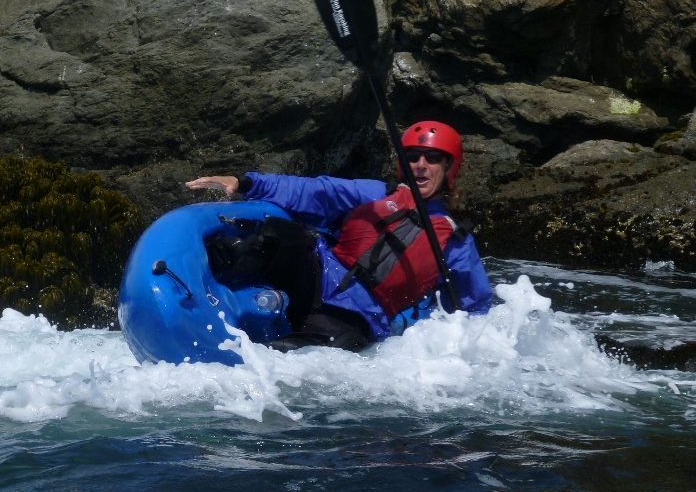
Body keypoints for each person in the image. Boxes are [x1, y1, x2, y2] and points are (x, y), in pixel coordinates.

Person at [186, 121, 493, 352]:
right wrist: (244, 182)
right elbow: (310, 191)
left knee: (329, 349)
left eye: (432, 158)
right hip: (314, 279)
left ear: (449, 168)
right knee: (279, 236)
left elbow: (476, 311)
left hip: (355, 317)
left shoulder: (455, 243)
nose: (421, 165)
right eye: (412, 156)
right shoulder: (373, 194)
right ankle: (194, 288)